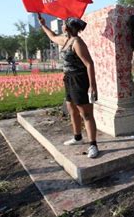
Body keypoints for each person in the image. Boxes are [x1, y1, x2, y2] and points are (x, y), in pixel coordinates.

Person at [38, 14, 99, 158]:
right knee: (72, 110)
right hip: (68, 79)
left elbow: (89, 64)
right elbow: (52, 37)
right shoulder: (66, 40)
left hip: (79, 80)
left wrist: (92, 86)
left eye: (63, 23)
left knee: (87, 114)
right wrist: (43, 25)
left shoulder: (77, 42)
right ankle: (77, 137)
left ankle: (93, 145)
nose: (61, 25)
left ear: (68, 27)